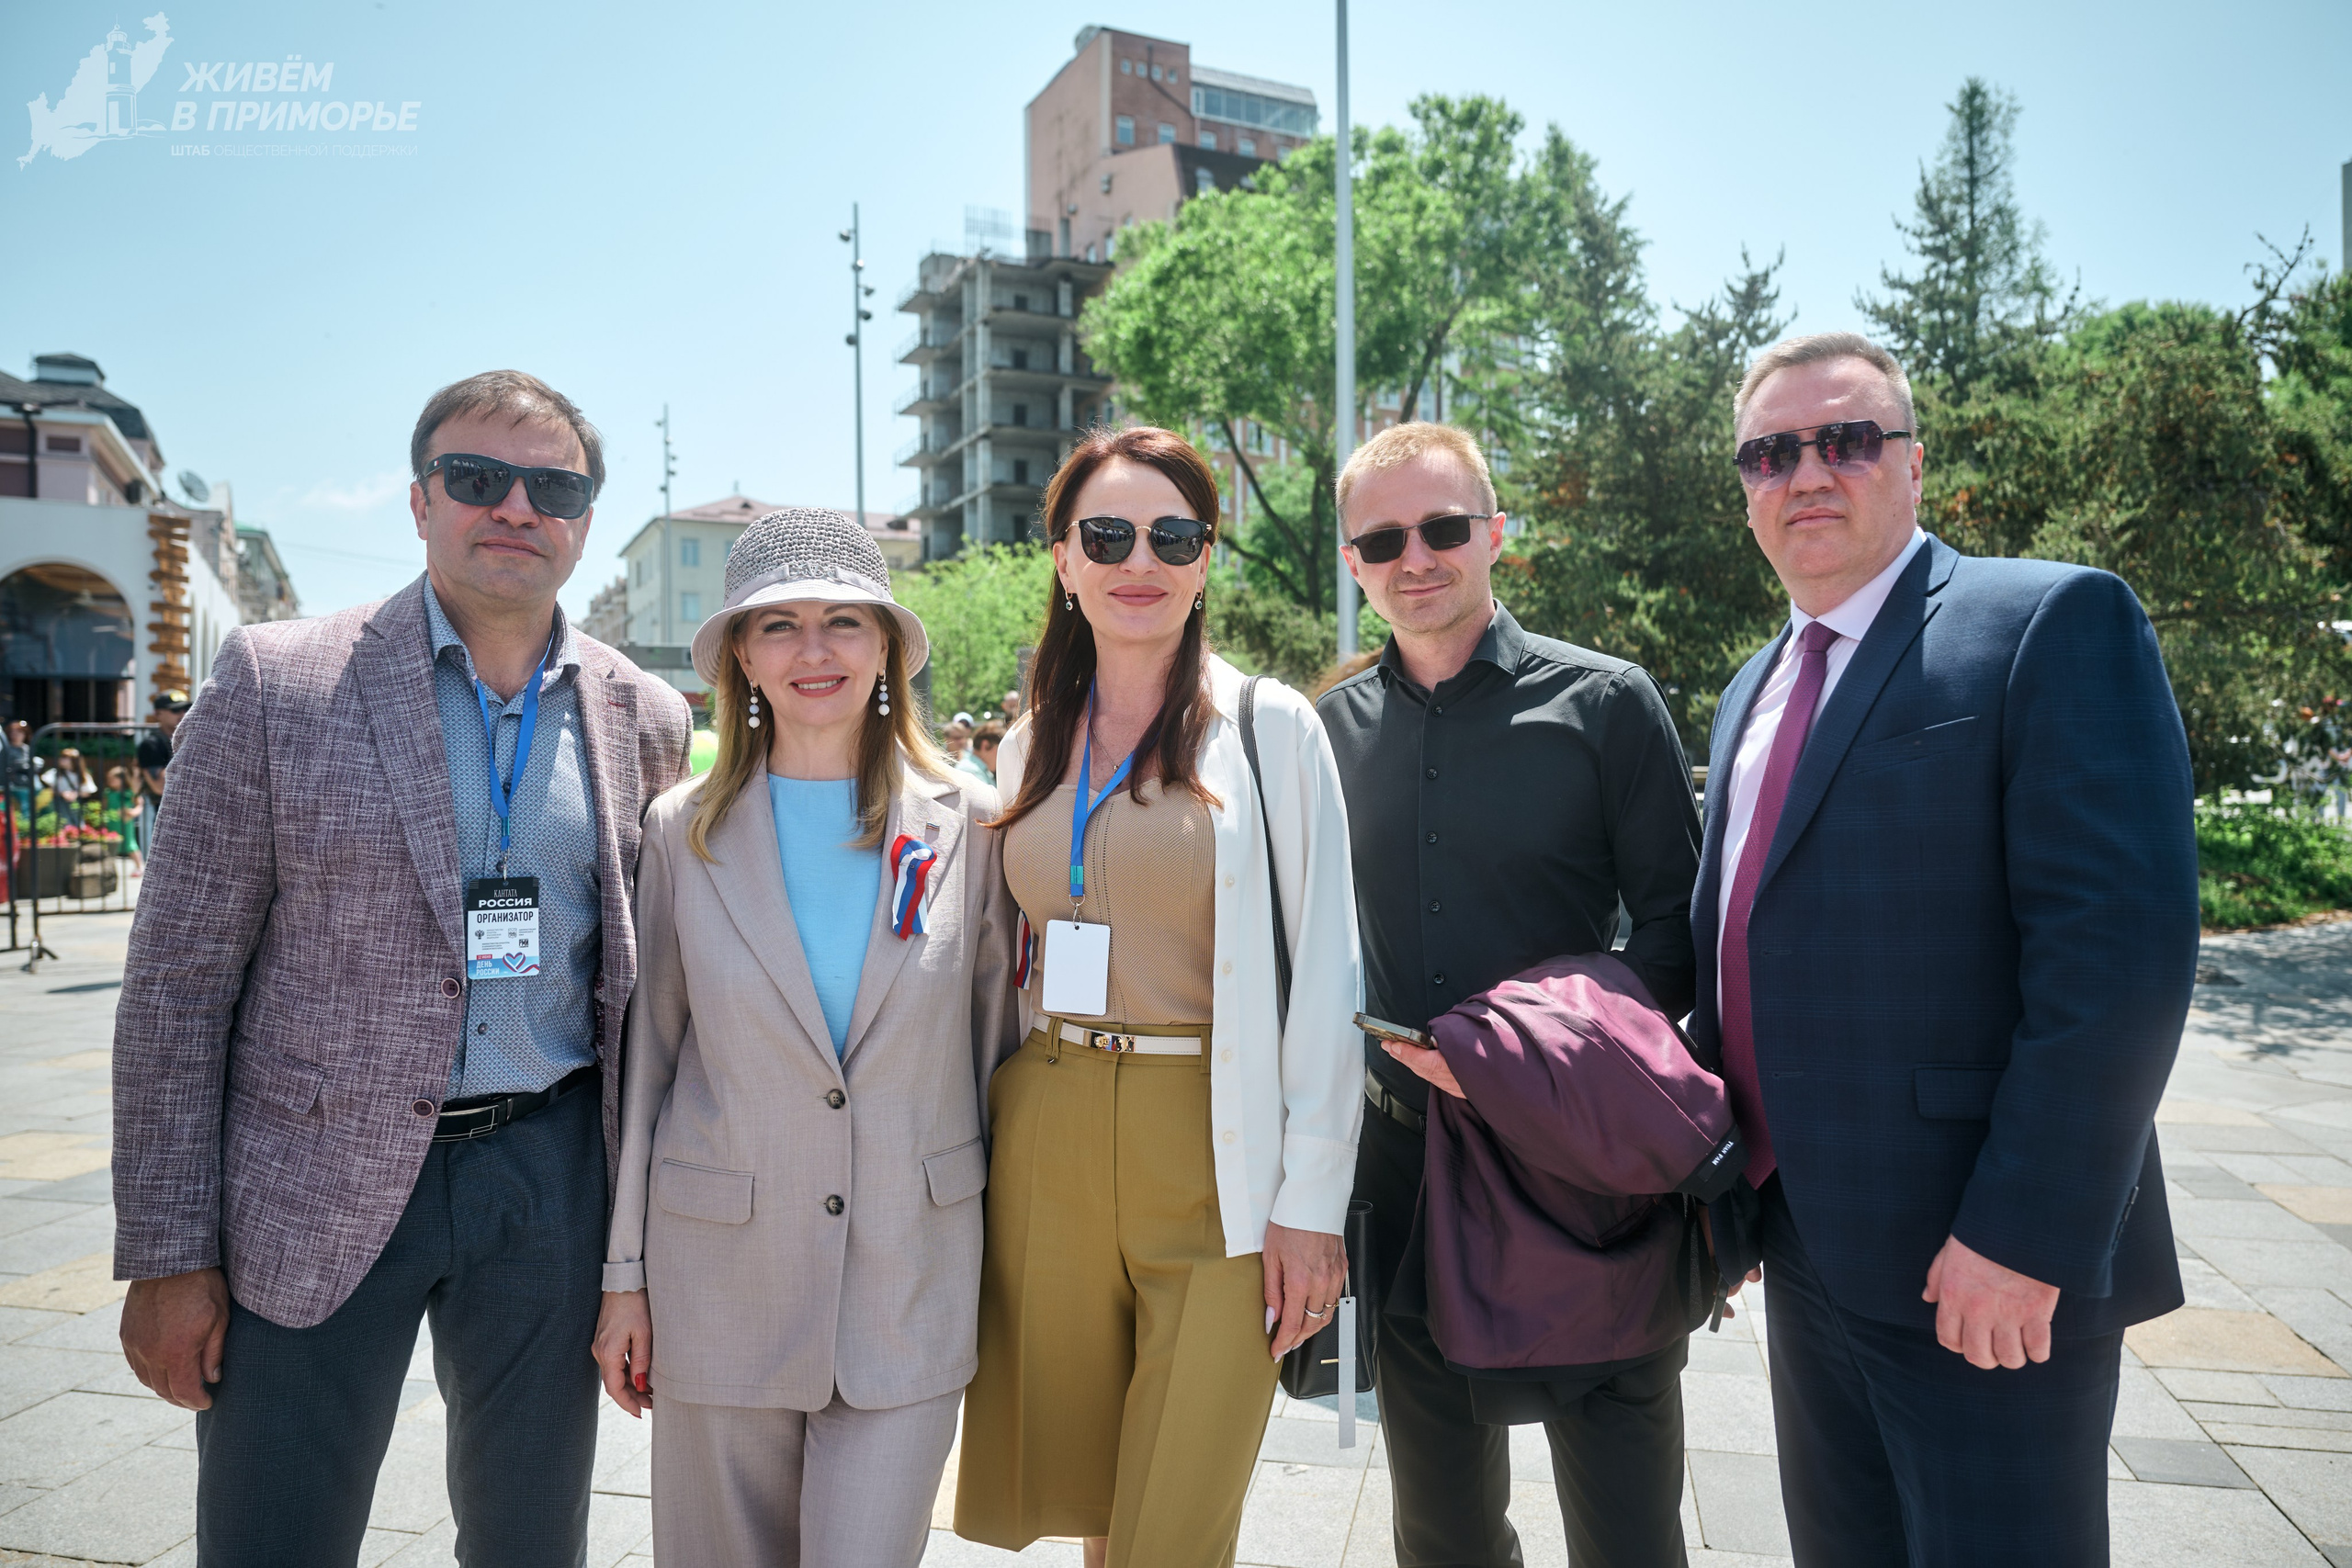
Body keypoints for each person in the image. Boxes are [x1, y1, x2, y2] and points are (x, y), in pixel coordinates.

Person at [111, 369, 691, 1567]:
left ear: (584, 515)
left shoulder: (643, 712)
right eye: (478, 478)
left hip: (547, 1172)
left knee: (534, 1537)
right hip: (313, 1173)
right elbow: (176, 986)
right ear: (421, 499)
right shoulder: (279, 683)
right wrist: (170, 1253)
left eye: (554, 485)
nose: (516, 506)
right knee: (276, 1531)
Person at [1691, 333, 2196, 1566]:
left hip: (1981, 1261)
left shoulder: (2045, 621)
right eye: (1770, 451)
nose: (1806, 473)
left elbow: (2116, 962)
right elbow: (1746, 939)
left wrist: (2024, 1236)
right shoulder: (1751, 685)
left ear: (1913, 465)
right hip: (1806, 1241)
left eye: (1846, 439)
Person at [955, 426, 1363, 1568]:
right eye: (1109, 534)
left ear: (1204, 559)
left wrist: (1312, 1205)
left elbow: (1329, 973)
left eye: (1175, 534)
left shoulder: (1269, 727)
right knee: (1096, 1496)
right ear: (1063, 560)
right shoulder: (1031, 741)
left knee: (1174, 1524)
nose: (1142, 559)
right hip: (1050, 1125)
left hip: (1216, 1145)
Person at [594, 508, 1020, 1566]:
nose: (814, 650)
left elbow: (993, 1056)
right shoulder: (678, 831)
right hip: (717, 1283)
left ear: (885, 644)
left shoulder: (972, 823)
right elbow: (646, 1067)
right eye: (778, 625)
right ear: (740, 654)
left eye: (842, 621)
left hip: (910, 1285)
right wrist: (624, 1279)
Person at [1315, 422, 1704, 1567]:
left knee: (1629, 1535)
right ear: (1351, 560)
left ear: (1495, 533)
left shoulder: (1605, 705)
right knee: (1440, 1534)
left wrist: (1518, 1051)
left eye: (1442, 527)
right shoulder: (1323, 733)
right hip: (1403, 1169)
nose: (1415, 557)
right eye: (1382, 538)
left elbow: (1681, 936)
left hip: (1580, 1173)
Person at [137, 691, 185, 858]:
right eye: (175, 710)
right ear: (158, 714)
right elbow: (160, 787)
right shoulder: (151, 744)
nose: (183, 714)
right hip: (165, 817)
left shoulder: (190, 739)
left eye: (186, 709)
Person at [104, 764, 142, 873]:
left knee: (130, 844)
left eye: (112, 779)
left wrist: (132, 812)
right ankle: (109, 869)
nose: (109, 781)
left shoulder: (130, 792)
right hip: (112, 823)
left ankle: (139, 867)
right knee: (110, 845)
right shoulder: (108, 793)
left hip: (125, 822)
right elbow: (104, 807)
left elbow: (139, 805)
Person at [957, 717, 1004, 785]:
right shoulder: (969, 771)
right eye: (1000, 750)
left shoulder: (981, 770)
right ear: (986, 745)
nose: (1002, 757)